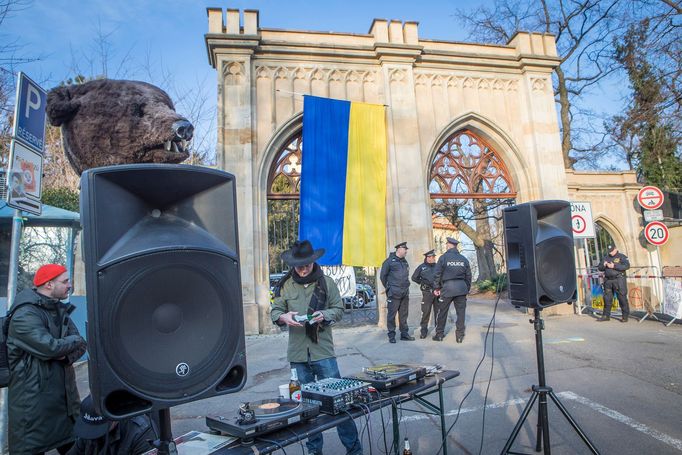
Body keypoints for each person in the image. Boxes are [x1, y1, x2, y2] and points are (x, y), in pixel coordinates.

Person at [270, 240, 362, 455]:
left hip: (323, 352)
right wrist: (283, 317)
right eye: (299, 266)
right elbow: (275, 311)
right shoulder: (285, 285)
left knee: (340, 405)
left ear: (313, 262)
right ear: (293, 264)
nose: (303, 270)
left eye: (307, 265)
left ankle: (354, 450)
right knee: (307, 408)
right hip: (298, 354)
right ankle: (314, 452)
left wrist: (324, 315)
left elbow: (338, 309)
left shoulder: (327, 282)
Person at [7, 264, 87, 455]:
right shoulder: (25, 314)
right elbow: (50, 347)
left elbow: (82, 345)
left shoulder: (60, 309)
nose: (70, 285)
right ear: (49, 284)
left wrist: (66, 352)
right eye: (65, 281)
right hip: (33, 410)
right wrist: (71, 342)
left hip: (65, 405)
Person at [66, 395, 155, 455]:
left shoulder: (140, 433)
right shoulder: (88, 432)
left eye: (97, 428)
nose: (93, 435)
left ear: (114, 418)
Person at [433, 237, 472, 343]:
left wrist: (437, 288)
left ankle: (439, 335)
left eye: (446, 244)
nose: (446, 246)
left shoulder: (443, 258)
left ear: (449, 245)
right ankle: (459, 336)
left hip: (447, 288)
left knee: (442, 312)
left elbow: (437, 274)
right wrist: (466, 288)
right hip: (461, 288)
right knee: (461, 313)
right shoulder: (463, 259)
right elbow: (468, 276)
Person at [380, 242, 414, 343]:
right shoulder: (389, 261)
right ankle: (391, 335)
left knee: (403, 314)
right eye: (405, 249)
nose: (406, 251)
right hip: (394, 292)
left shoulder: (404, 262)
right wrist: (389, 288)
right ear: (399, 249)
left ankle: (404, 334)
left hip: (404, 292)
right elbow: (383, 277)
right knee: (391, 315)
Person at [596, 243, 630, 322]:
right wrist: (603, 265)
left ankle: (625, 316)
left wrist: (614, 266)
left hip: (618, 280)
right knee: (607, 299)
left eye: (611, 251)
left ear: (615, 249)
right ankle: (606, 316)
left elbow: (626, 266)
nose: (610, 252)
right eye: (609, 251)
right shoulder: (606, 257)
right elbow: (600, 268)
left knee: (622, 298)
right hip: (608, 281)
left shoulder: (622, 257)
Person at [411, 249, 438, 339]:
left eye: (434, 257)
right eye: (431, 257)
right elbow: (414, 277)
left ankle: (439, 331)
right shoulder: (421, 267)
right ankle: (423, 331)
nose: (433, 258)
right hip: (427, 293)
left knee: (438, 312)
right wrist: (422, 282)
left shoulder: (438, 266)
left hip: (437, 292)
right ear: (427, 258)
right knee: (426, 312)